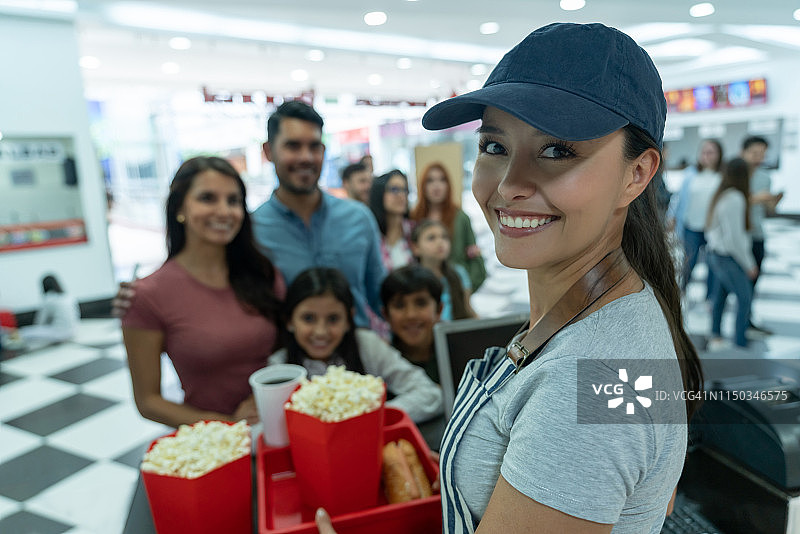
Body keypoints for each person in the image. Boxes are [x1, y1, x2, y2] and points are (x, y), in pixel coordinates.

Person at [415, 22, 702, 533]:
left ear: (636, 174)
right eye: (495, 146)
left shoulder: (594, 377)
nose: (508, 185)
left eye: (557, 151)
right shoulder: (603, 312)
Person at [121, 156, 284, 428]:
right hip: (213, 443)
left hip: (279, 425)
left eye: (233, 201)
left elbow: (286, 352)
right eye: (207, 198)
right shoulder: (147, 295)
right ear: (179, 208)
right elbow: (148, 402)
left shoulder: (263, 275)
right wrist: (229, 425)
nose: (223, 211)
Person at [252, 101, 386, 329]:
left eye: (314, 146)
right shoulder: (252, 230)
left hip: (358, 357)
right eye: (293, 146)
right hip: (288, 361)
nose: (306, 157)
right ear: (268, 151)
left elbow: (381, 300)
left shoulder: (358, 219)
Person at [268, 267, 442, 423]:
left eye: (333, 319)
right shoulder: (278, 368)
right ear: (289, 321)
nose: (321, 331)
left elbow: (429, 394)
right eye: (308, 318)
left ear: (348, 320)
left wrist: (371, 417)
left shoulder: (366, 345)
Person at [410, 162, 487, 291]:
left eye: (442, 180)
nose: (436, 186)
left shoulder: (461, 218)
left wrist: (465, 289)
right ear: (423, 186)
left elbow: (474, 255)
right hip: (422, 288)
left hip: (457, 287)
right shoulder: (414, 217)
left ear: (448, 185)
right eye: (430, 181)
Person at [705, 158, 757, 349]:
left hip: (715, 254)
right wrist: (749, 264)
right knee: (745, 299)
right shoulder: (735, 198)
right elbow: (734, 239)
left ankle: (716, 334)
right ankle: (740, 343)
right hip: (727, 257)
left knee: (720, 297)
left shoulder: (722, 194)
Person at [669, 139, 723, 298]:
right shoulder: (690, 174)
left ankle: (710, 297)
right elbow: (678, 198)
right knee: (689, 261)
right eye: (704, 152)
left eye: (711, 152)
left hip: (713, 228)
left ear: (719, 155)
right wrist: (671, 217)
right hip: (692, 226)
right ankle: (682, 290)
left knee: (713, 265)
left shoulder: (721, 176)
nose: (706, 155)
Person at [740, 135, 783, 337]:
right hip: (738, 236)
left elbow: (769, 209)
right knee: (731, 285)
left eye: (762, 153)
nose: (759, 157)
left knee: (753, 281)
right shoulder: (735, 174)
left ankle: (747, 321)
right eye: (755, 153)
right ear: (744, 153)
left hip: (757, 233)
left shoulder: (765, 177)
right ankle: (722, 329)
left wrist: (773, 201)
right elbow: (732, 201)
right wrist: (758, 198)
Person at [380, 264, 443, 383]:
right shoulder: (379, 362)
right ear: (386, 315)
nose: (411, 315)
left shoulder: (459, 355)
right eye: (399, 305)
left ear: (439, 310)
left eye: (421, 303)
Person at [411, 219, 476, 321]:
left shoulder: (459, 273)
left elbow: (468, 309)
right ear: (415, 248)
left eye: (444, 237)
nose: (440, 242)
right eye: (431, 238)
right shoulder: (411, 279)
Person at [368, 170, 415, 271]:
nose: (401, 195)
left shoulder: (414, 231)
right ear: (379, 193)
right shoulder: (370, 234)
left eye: (405, 190)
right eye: (394, 189)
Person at [18, 274, 80, 346]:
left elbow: (40, 322)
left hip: (61, 334)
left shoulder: (48, 299)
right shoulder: (68, 296)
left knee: (25, 332)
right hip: (74, 331)